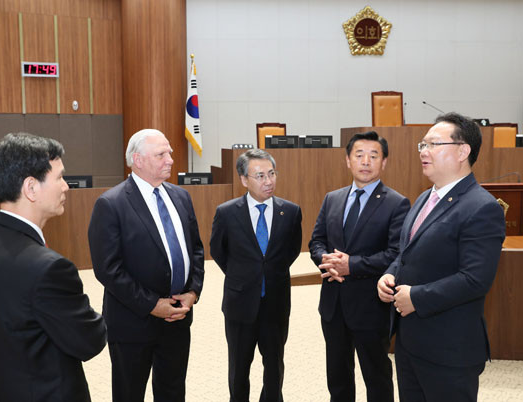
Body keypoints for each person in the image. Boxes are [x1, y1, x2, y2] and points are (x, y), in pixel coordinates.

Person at [0, 133, 106, 402]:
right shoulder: (50, 269)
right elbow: (90, 341)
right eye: (59, 177)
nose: (66, 187)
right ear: (31, 188)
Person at [377, 113, 506, 402]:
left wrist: (416, 297)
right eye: (422, 145)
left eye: (433, 144)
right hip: (410, 342)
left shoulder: (482, 207)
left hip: (449, 349)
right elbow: (406, 253)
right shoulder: (425, 198)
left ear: (462, 151)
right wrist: (390, 274)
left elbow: (475, 279)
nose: (424, 151)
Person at [88, 128, 204, 402]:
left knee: (173, 392)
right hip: (133, 322)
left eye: (169, 153)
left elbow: (196, 250)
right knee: (129, 394)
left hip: (177, 317)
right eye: (161, 154)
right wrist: (152, 304)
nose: (170, 160)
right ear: (137, 160)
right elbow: (108, 269)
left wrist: (192, 292)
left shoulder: (181, 196)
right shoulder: (111, 204)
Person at [309, 131, 410, 402]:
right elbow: (316, 241)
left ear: (384, 162)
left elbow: (396, 254)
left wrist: (351, 265)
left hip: (371, 306)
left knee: (376, 377)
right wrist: (326, 260)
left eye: (373, 156)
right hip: (333, 304)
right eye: (359, 155)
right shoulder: (332, 198)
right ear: (348, 160)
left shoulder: (396, 203)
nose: (366, 161)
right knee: (338, 378)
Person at [210, 149, 302, 402]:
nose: (268, 181)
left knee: (274, 367)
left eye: (271, 174)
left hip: (276, 303)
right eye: (260, 176)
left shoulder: (291, 212)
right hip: (240, 303)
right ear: (244, 179)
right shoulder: (227, 213)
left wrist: (268, 271)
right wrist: (243, 275)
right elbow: (218, 251)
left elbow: (292, 251)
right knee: (239, 368)